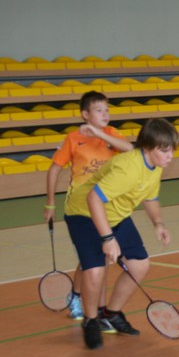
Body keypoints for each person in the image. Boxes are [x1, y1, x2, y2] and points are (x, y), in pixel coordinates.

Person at [63, 118, 179, 349]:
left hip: (116, 214)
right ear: (148, 148)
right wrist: (108, 239)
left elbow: (150, 197)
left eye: (172, 150)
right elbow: (93, 198)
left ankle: (111, 313)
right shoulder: (128, 169)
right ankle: (91, 320)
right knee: (95, 271)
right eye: (165, 151)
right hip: (84, 213)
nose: (170, 156)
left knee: (140, 265)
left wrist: (158, 223)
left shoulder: (154, 167)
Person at [43, 91, 133, 320]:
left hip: (106, 208)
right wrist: (51, 204)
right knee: (92, 259)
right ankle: (78, 298)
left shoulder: (111, 135)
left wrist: (99, 133)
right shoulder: (73, 139)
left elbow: (129, 149)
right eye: (99, 110)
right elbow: (54, 170)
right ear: (85, 114)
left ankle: (79, 297)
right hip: (80, 210)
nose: (105, 114)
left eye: (107, 110)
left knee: (94, 258)